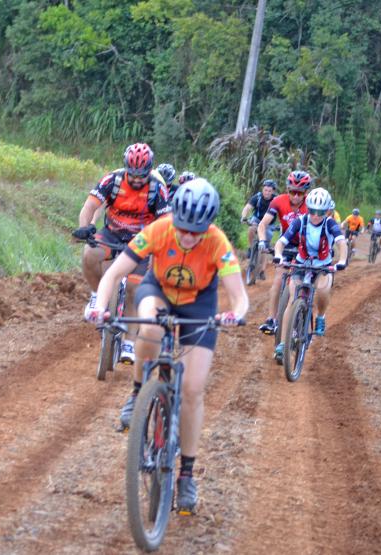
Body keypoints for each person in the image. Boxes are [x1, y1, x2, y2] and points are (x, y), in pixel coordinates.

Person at [85, 178, 248, 514]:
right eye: (183, 228)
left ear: (208, 226)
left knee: (192, 391)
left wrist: (234, 315)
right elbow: (114, 274)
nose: (188, 236)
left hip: (198, 305)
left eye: (196, 231)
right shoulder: (159, 229)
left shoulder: (217, 242)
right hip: (156, 291)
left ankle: (186, 474)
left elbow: (239, 296)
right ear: (175, 218)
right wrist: (100, 307)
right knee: (148, 325)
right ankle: (137, 392)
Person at [73, 143, 169, 364]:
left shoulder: (158, 188)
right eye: (132, 175)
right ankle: (98, 295)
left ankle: (130, 342)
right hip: (112, 234)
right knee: (89, 253)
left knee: (136, 288)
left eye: (141, 176)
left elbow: (165, 222)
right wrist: (86, 227)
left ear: (149, 171)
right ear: (126, 168)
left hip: (142, 242)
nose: (136, 180)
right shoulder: (112, 180)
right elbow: (89, 207)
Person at [271, 188, 347, 357]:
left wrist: (342, 260)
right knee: (292, 299)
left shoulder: (330, 224)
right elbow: (281, 242)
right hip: (301, 262)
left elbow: (341, 243)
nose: (314, 215)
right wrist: (278, 255)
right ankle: (282, 344)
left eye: (319, 212)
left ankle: (320, 316)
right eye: (312, 210)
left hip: (322, 265)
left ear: (327, 211)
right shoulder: (300, 221)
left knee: (322, 289)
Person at [256, 170, 311, 335]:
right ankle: (271, 319)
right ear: (287, 190)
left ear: (305, 193)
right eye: (291, 191)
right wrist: (262, 241)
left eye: (299, 193)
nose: (295, 196)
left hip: (305, 247)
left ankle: (302, 316)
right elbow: (262, 224)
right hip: (285, 244)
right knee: (279, 279)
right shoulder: (278, 201)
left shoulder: (311, 205)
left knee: (303, 284)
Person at [240, 179, 278, 280]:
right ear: (263, 189)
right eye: (265, 190)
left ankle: (262, 270)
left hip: (268, 224)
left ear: (273, 191)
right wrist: (244, 217)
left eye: (269, 191)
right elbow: (247, 207)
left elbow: (282, 212)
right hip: (256, 220)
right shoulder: (257, 197)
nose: (267, 192)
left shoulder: (276, 200)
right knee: (251, 229)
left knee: (265, 248)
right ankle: (250, 247)